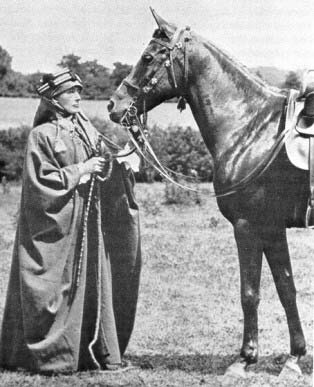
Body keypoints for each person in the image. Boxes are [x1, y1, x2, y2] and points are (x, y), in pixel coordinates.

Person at [0, 69, 141, 373]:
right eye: (70, 92)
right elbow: (41, 183)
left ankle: (89, 352)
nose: (78, 96)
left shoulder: (86, 129)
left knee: (91, 280)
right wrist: (81, 170)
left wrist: (118, 162)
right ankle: (51, 355)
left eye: (79, 91)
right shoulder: (42, 136)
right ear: (53, 99)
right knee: (56, 283)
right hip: (56, 226)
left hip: (87, 224)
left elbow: (101, 162)